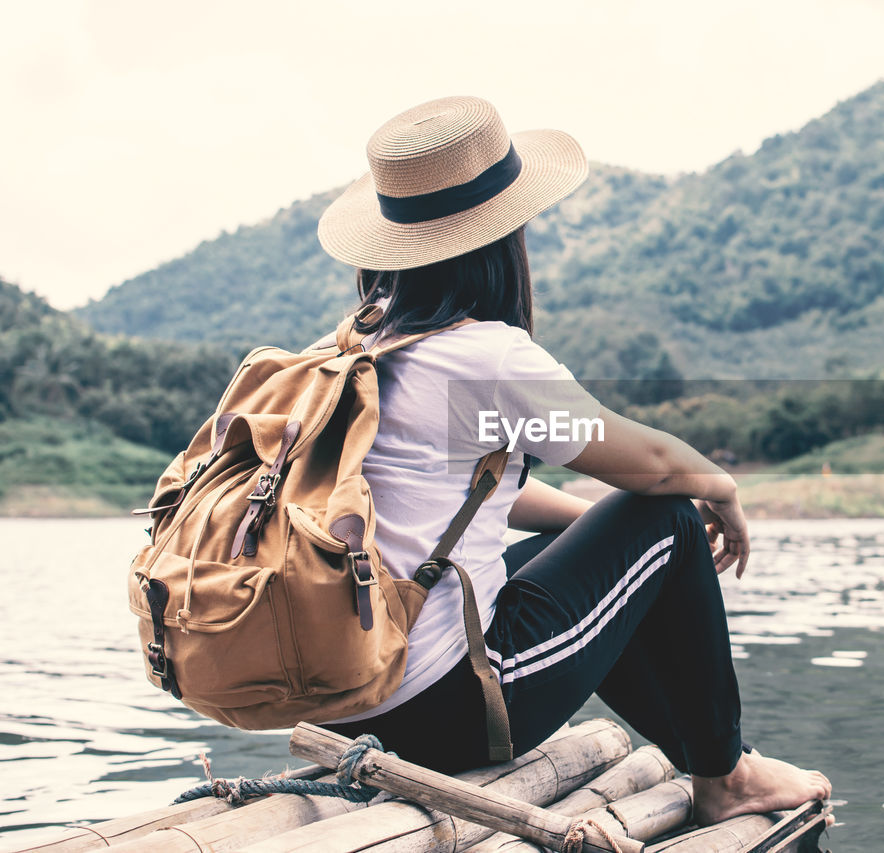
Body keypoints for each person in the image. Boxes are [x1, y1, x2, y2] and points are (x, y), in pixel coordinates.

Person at [317, 96, 830, 825]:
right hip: (445, 712)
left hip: (348, 702)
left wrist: (596, 536)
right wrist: (719, 488)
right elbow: (652, 466)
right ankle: (726, 775)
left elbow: (466, 501)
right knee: (670, 514)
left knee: (608, 539)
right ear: (500, 240)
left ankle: (714, 755)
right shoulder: (483, 357)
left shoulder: (357, 354)